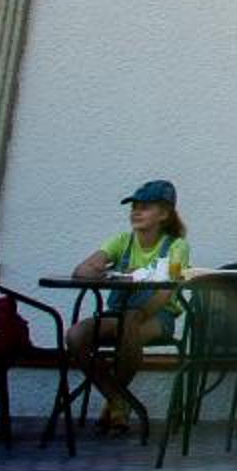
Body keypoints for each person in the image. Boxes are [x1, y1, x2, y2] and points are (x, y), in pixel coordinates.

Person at [67, 178, 190, 435]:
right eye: (134, 207)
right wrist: (104, 272)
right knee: (76, 335)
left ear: (164, 214)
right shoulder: (122, 241)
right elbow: (81, 270)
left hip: (158, 317)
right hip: (120, 314)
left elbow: (167, 290)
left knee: (129, 326)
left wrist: (138, 313)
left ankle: (117, 405)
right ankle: (117, 399)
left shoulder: (176, 246)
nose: (136, 212)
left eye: (144, 207)